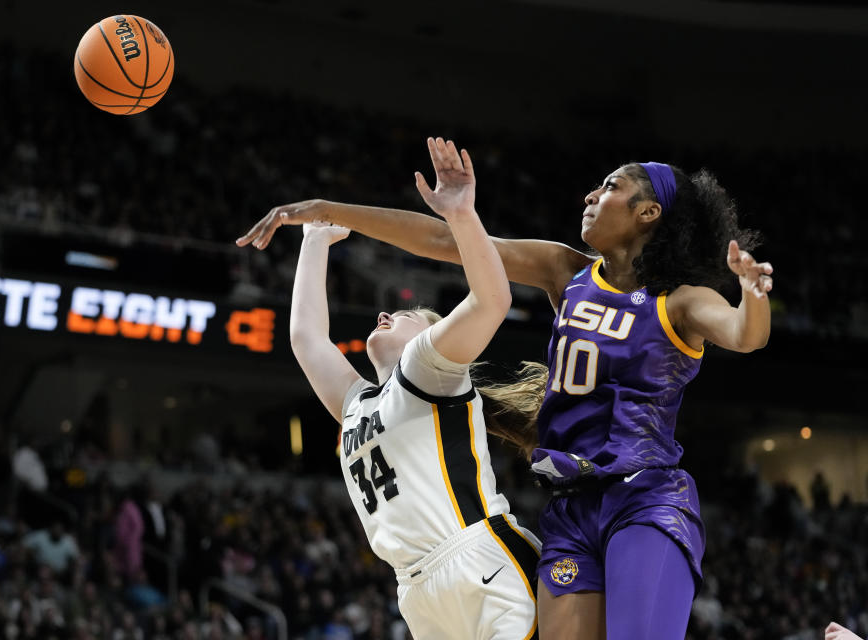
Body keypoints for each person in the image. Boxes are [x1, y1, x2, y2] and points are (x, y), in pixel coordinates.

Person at [239, 145, 774, 640]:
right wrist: (327, 210)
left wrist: (752, 296)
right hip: (567, 508)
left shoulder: (681, 299)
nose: (590, 195)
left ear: (647, 213)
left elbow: (744, 335)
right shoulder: (565, 271)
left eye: (609, 186)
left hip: (644, 496)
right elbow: (445, 242)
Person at [287, 138, 540, 639]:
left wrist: (462, 215)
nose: (384, 315)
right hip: (417, 589)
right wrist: (314, 240)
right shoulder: (357, 405)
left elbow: (492, 299)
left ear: (427, 335)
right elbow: (306, 339)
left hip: (479, 559)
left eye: (401, 316)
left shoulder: (426, 369)